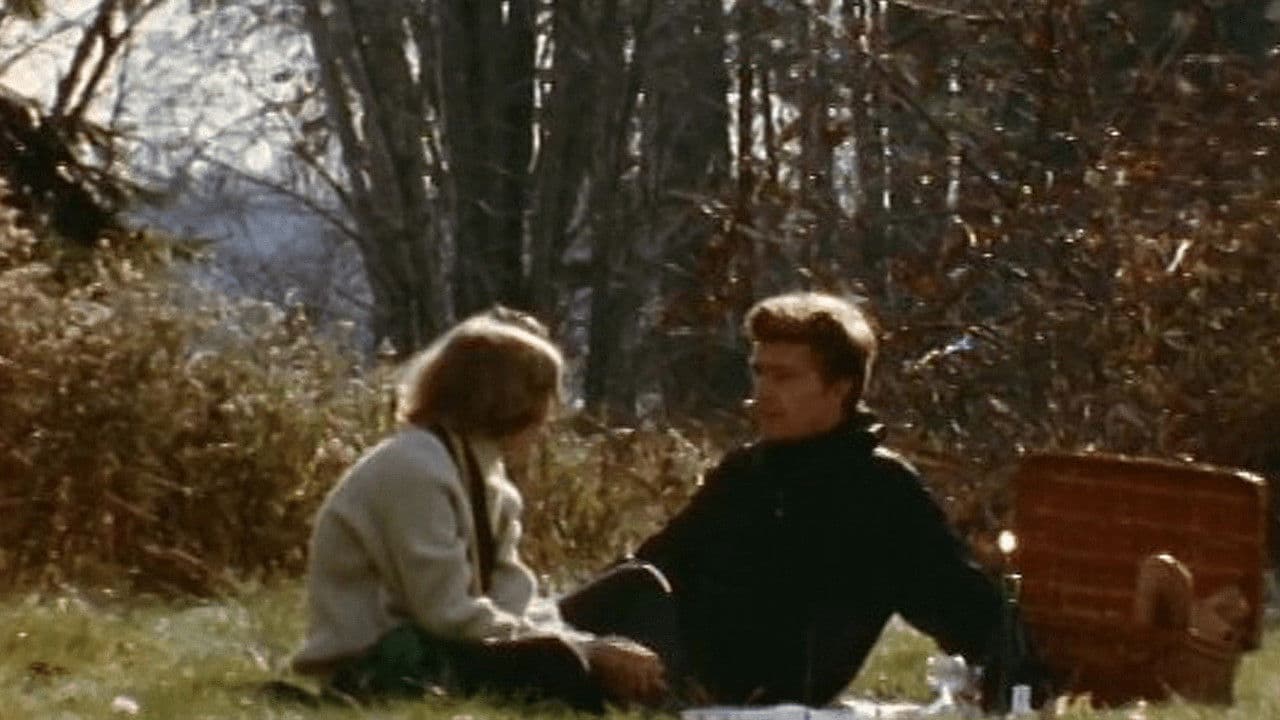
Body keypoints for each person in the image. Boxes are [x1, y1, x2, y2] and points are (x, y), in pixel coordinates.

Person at [627, 291, 1043, 707]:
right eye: (759, 373)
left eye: (784, 377)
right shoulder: (744, 475)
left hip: (754, 691)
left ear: (839, 388)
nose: (763, 392)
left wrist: (1019, 682)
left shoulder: (878, 490)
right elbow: (653, 569)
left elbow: (963, 606)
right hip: (658, 669)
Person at [290, 309, 666, 711]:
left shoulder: (488, 479)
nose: (547, 422)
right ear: (509, 404)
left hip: (453, 640)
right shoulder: (415, 469)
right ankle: (616, 698)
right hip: (388, 657)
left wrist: (588, 644)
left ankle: (666, 699)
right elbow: (446, 614)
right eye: (543, 402)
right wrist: (584, 651)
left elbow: (513, 597)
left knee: (637, 586)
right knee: (556, 661)